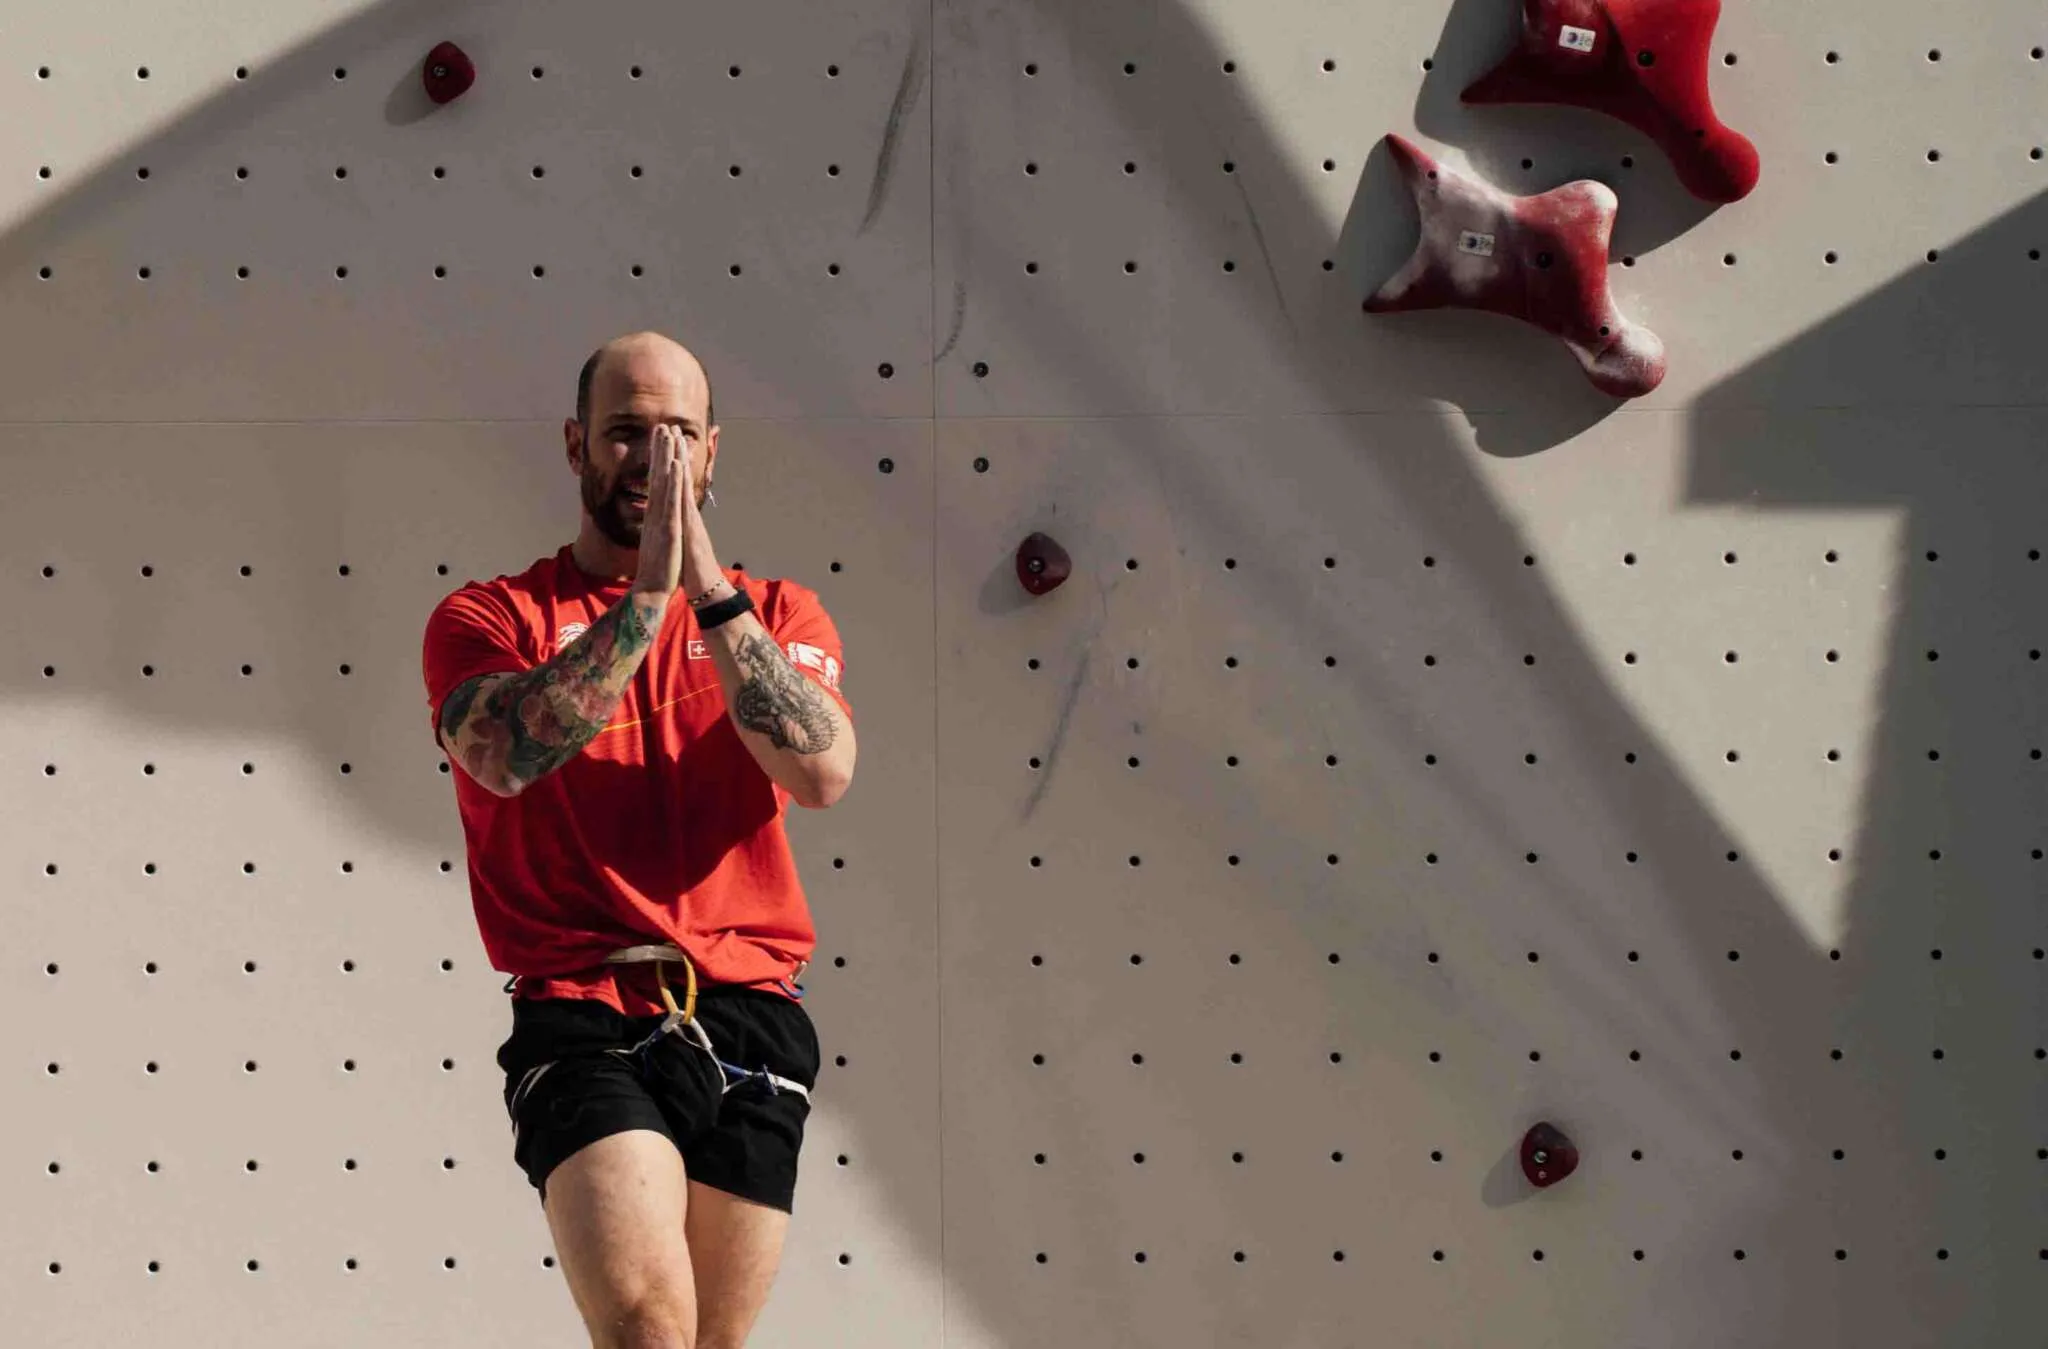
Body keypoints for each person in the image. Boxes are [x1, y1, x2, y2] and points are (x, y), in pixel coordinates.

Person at [420, 331, 857, 1349]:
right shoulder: (492, 615)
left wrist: (703, 589)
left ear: (712, 453)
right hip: (585, 1010)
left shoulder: (779, 611)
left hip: (750, 1013)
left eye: (677, 435)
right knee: (648, 1329)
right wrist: (644, 601)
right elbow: (506, 756)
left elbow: (822, 770)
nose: (651, 461)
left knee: (710, 1342)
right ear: (576, 444)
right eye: (625, 432)